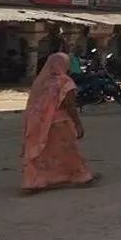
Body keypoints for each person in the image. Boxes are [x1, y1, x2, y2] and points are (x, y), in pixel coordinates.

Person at [20, 40, 97, 193]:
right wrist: (78, 124)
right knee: (67, 150)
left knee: (42, 152)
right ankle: (80, 176)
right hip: (58, 121)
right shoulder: (65, 82)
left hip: (37, 121)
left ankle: (35, 181)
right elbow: (70, 105)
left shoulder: (41, 82)